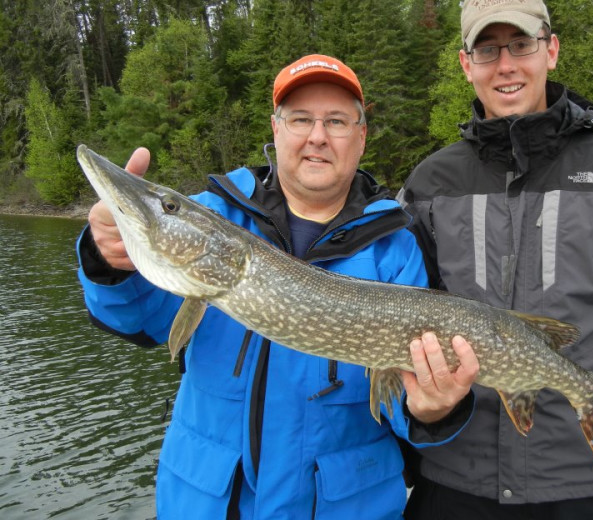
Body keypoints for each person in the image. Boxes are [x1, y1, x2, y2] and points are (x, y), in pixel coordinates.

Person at [76, 54, 479, 519]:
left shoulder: (395, 249)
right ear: (275, 129)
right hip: (211, 502)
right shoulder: (215, 213)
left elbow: (398, 400)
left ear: (361, 136)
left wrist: (431, 411)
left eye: (337, 121)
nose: (317, 136)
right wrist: (108, 260)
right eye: (300, 119)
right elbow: (138, 320)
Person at [397, 2, 593, 520]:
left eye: (521, 45)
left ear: (551, 49)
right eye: (488, 49)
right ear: (466, 63)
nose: (506, 65)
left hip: (588, 481)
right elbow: (398, 315)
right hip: (454, 479)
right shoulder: (430, 184)